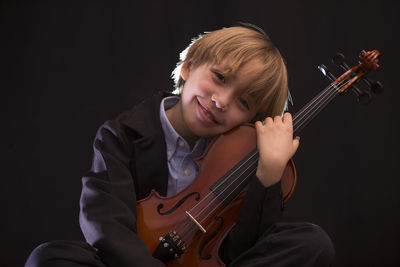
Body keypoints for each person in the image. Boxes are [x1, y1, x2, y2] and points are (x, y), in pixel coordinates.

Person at [26, 23, 334, 266]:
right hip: (130, 261)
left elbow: (244, 250)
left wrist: (268, 173)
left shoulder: (242, 153)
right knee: (48, 257)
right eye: (219, 77)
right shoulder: (122, 134)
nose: (221, 101)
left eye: (243, 102)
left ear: (251, 118)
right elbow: (105, 221)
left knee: (312, 242)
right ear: (188, 66)